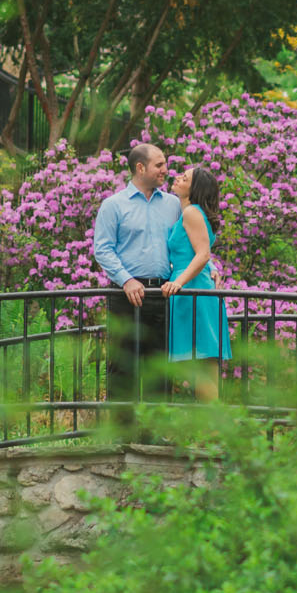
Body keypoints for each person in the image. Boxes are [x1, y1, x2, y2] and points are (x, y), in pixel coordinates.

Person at [92, 142, 184, 408]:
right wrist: (127, 279)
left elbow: (183, 245)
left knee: (160, 367)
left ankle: (156, 438)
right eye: (160, 164)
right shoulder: (113, 206)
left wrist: (209, 270)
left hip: (162, 293)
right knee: (123, 365)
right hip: (125, 295)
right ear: (140, 167)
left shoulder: (172, 205)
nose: (166, 170)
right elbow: (103, 249)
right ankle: (122, 437)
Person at [164, 165, 231, 400]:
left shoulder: (192, 212)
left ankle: (220, 428)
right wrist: (212, 269)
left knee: (198, 368)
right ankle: (216, 432)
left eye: (185, 178)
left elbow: (202, 254)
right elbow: (202, 253)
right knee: (207, 368)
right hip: (199, 288)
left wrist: (177, 283)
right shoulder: (192, 213)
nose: (178, 177)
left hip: (191, 290)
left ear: (195, 189)